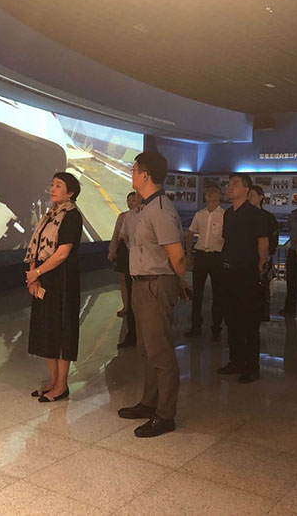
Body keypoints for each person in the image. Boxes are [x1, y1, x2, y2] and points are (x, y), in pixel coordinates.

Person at [117, 151, 189, 438]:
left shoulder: (160, 209)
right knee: (147, 348)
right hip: (142, 283)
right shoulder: (146, 207)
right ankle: (149, 402)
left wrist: (179, 282)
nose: (132, 173)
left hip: (156, 284)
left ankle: (165, 414)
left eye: (134, 169)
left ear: (145, 175)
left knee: (160, 351)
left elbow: (177, 255)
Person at [25, 172, 83, 403]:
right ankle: (52, 380)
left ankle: (62, 385)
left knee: (61, 330)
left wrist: (37, 273)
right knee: (46, 329)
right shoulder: (49, 215)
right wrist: (34, 276)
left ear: (70, 193)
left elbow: (62, 253)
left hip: (62, 281)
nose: (53, 189)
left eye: (59, 185)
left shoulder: (71, 216)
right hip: (44, 278)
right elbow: (36, 247)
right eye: (52, 184)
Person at [216, 174, 268, 383]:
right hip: (228, 272)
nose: (230, 187)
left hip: (247, 273)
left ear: (246, 189)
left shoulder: (255, 215)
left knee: (249, 321)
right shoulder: (228, 214)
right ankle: (236, 361)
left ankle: (252, 366)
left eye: (235, 184)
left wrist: (259, 268)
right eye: (229, 184)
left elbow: (262, 244)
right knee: (231, 319)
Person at [184, 185, 225, 340]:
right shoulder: (200, 214)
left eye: (214, 192)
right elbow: (190, 234)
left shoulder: (224, 215)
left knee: (218, 293)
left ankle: (216, 327)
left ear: (220, 196)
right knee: (197, 293)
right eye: (208, 192)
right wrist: (188, 254)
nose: (210, 194)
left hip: (217, 257)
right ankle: (195, 326)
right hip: (201, 255)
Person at [248, 185, 279, 322]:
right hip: (247, 257)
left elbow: (273, 238)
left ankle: (262, 313)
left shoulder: (268, 217)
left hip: (263, 257)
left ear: (260, 197)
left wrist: (267, 254)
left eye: (252, 195)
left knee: (263, 287)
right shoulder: (244, 216)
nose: (249, 198)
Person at [116, 192, 143, 348]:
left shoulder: (154, 212)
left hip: (148, 265)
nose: (132, 202)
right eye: (129, 200)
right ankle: (132, 335)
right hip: (131, 261)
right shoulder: (128, 216)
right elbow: (122, 235)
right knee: (132, 294)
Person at [108, 192, 138, 318]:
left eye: (133, 200)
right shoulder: (123, 216)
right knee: (123, 280)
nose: (130, 203)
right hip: (124, 251)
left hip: (136, 251)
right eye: (128, 200)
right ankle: (126, 306)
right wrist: (112, 251)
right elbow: (116, 235)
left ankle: (135, 307)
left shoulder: (143, 215)